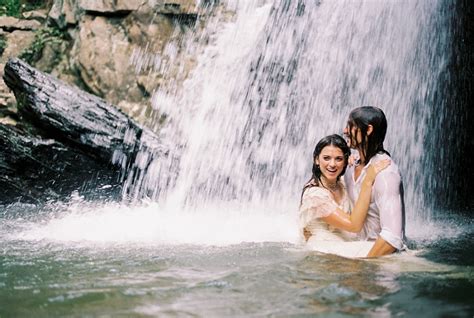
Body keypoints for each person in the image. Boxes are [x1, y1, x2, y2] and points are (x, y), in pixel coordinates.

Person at [299, 134, 390, 258]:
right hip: (322, 253)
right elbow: (354, 226)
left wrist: (355, 165)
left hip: (342, 249)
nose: (332, 164)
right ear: (316, 160)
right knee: (387, 250)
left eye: (338, 159)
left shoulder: (342, 183)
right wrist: (368, 181)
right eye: (326, 158)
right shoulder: (315, 196)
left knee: (392, 250)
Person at [343, 106, 406, 257]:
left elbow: (392, 238)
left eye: (350, 125)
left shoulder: (386, 174)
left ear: (368, 130)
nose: (345, 130)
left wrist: (361, 266)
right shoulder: (352, 165)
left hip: (379, 261)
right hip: (354, 251)